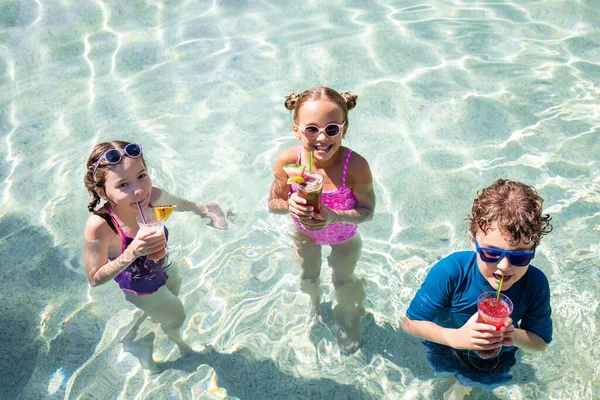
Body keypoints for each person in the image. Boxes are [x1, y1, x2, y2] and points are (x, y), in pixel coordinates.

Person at [83, 141, 228, 371]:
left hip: (163, 267)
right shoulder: (101, 226)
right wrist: (131, 252)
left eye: (141, 175)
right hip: (141, 288)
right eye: (123, 184)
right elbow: (94, 278)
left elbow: (185, 205)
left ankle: (136, 338)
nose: (138, 190)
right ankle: (182, 347)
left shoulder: (154, 197)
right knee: (177, 315)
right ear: (102, 192)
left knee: (175, 288)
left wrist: (206, 211)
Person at [402, 179, 553, 397]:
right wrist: (455, 338)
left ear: (534, 248)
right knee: (442, 370)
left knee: (483, 381)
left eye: (520, 256)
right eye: (491, 253)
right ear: (473, 241)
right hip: (444, 342)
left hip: (498, 353)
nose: (504, 267)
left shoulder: (535, 285)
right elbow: (410, 323)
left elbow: (539, 343)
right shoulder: (451, 271)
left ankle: (463, 387)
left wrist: (510, 335)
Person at [268, 86, 376, 353]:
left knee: (343, 280)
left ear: (344, 129)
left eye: (331, 129)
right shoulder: (289, 161)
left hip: (344, 237)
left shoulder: (355, 166)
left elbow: (367, 211)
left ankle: (345, 314)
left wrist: (335, 216)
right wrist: (289, 205)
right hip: (306, 234)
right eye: (311, 129)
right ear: (296, 130)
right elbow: (273, 204)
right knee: (308, 277)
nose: (321, 138)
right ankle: (315, 307)